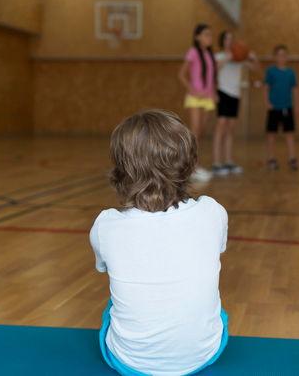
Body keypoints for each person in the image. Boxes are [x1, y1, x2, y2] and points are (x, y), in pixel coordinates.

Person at [91, 110, 229, 376]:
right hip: (206, 354)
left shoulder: (105, 225)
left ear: (122, 169)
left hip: (128, 363)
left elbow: (102, 267)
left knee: (115, 300)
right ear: (189, 163)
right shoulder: (213, 211)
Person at [212, 31, 260, 175]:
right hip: (223, 92)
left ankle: (228, 161)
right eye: (227, 38)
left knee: (231, 129)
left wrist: (253, 58)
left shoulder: (240, 58)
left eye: (232, 39)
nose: (230, 41)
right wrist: (229, 57)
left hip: (235, 94)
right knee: (221, 126)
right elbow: (214, 69)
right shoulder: (219, 56)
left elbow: (256, 69)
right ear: (222, 41)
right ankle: (216, 163)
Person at [178, 24, 218, 182]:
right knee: (194, 133)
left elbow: (211, 76)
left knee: (200, 133)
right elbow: (181, 74)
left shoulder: (209, 54)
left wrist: (213, 92)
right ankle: (192, 168)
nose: (209, 38)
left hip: (207, 99)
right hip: (195, 98)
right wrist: (194, 91)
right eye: (206, 35)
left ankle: (194, 167)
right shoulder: (193, 52)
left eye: (210, 35)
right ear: (197, 37)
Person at [263, 45, 299, 171]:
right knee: (271, 134)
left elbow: (295, 89)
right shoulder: (270, 71)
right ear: (275, 57)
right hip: (274, 107)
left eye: (284, 55)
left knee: (289, 133)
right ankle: (271, 158)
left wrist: (297, 104)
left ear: (287, 57)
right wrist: (267, 102)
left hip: (287, 107)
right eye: (279, 54)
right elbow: (265, 87)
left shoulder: (291, 72)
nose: (282, 57)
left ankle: (292, 159)